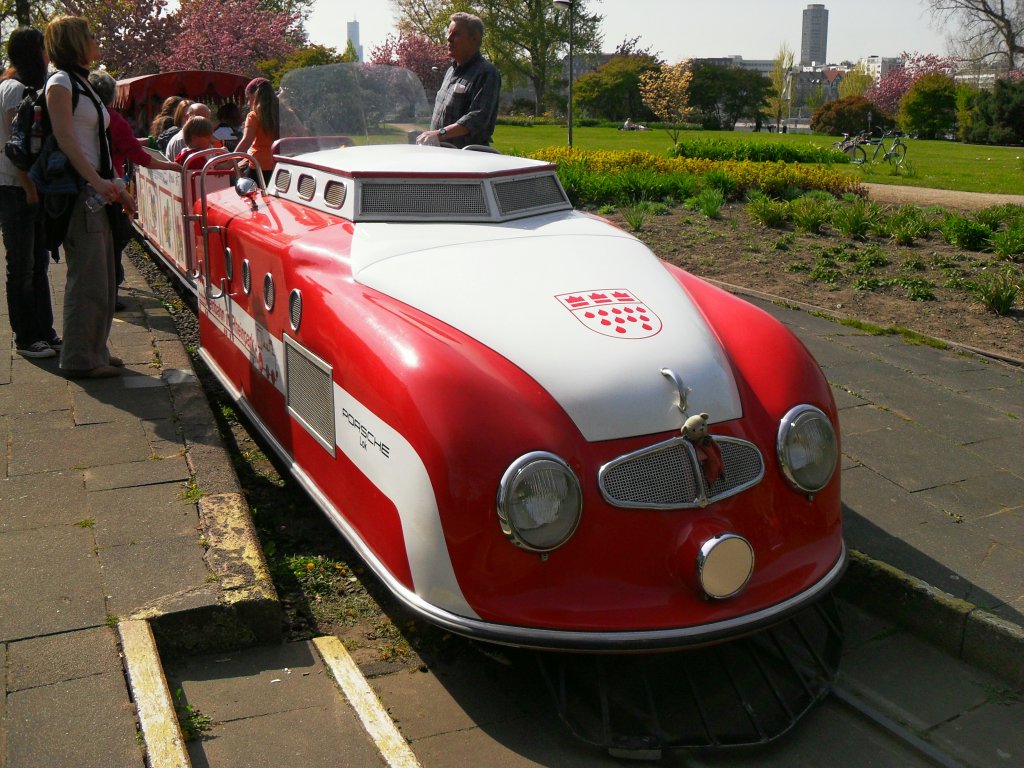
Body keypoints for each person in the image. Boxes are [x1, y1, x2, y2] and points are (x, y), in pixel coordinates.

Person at [45, 15, 133, 378]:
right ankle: (81, 358)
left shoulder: (80, 82)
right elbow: (66, 138)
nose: (96, 40)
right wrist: (97, 181)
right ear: (75, 42)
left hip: (96, 190)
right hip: (81, 193)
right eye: (89, 35)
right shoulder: (61, 83)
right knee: (88, 277)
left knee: (102, 274)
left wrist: (113, 184)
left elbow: (97, 142)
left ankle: (94, 347)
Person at [88, 69, 179, 310]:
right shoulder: (113, 119)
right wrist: (171, 166)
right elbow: (138, 156)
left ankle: (105, 290)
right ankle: (110, 290)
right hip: (110, 186)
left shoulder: (87, 117)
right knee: (117, 237)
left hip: (90, 182)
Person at [0, 26, 62, 358]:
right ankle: (26, 336)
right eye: (44, 48)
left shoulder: (12, 86)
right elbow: (16, 144)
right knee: (23, 265)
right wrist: (28, 185)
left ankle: (44, 330)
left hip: (21, 185)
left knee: (36, 262)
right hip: (16, 187)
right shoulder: (17, 90)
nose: (48, 55)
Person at [415, 12, 500, 149]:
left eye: (456, 34)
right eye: (449, 33)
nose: (449, 38)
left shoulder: (486, 73)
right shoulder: (450, 71)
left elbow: (478, 117)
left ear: (474, 38)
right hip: (442, 156)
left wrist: (439, 133)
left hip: (467, 160)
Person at [234, 77, 278, 183]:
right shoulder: (287, 113)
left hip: (259, 167)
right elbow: (301, 133)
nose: (248, 103)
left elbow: (246, 141)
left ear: (257, 97)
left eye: (249, 98)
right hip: (280, 165)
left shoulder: (254, 116)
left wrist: (231, 161)